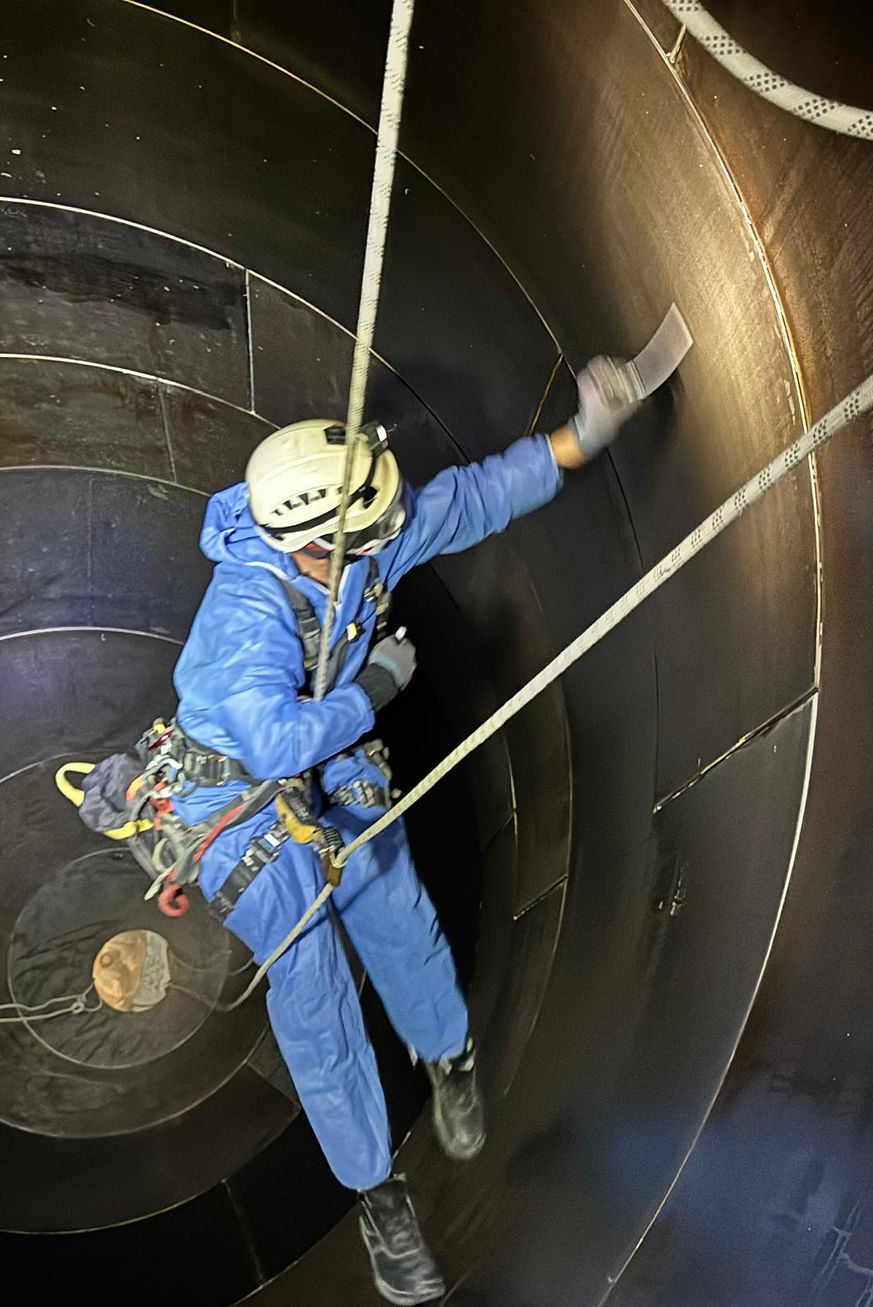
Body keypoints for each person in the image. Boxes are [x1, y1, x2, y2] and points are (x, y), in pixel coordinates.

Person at [169, 356, 648, 1305]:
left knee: (396, 908)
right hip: (236, 801)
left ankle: (447, 1052)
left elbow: (464, 503)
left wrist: (580, 438)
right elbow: (271, 742)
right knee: (313, 994)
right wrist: (377, 688)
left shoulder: (358, 536)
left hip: (327, 753)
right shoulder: (246, 617)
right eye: (375, 523)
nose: (396, 525)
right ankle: (378, 1193)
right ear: (317, 539)